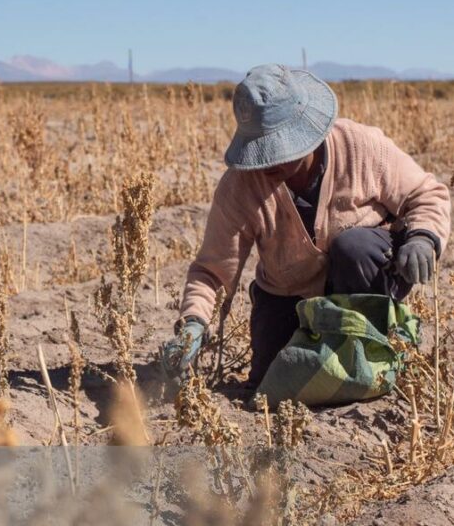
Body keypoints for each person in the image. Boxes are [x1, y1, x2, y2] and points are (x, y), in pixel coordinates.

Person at [161, 64, 451, 388]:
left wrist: (423, 237)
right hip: (290, 293)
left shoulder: (361, 146)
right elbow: (213, 270)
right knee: (269, 386)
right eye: (262, 150)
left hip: (363, 277)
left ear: (309, 133)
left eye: (280, 149)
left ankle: (376, 348)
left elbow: (427, 194)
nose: (270, 161)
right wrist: (193, 324)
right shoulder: (239, 188)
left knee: (353, 247)